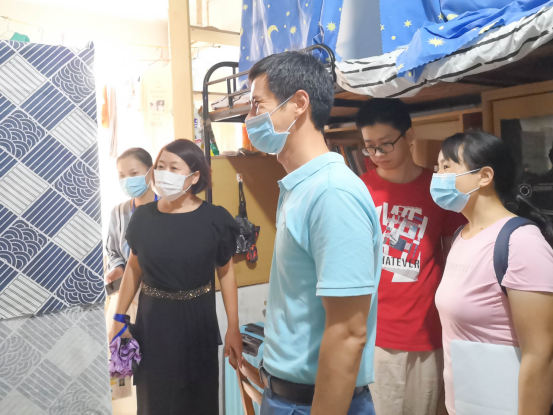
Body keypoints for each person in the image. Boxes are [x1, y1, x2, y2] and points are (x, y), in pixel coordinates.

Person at [245, 51, 382, 415]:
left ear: (298, 103)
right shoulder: (300, 186)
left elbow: (348, 333)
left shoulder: (332, 193)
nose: (249, 118)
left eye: (258, 104)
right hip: (285, 397)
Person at [108, 139, 243, 415]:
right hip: (154, 323)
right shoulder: (143, 217)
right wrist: (118, 317)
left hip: (199, 322)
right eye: (160, 166)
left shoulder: (215, 218)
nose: (164, 173)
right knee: (156, 401)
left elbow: (226, 272)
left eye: (173, 168)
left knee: (198, 401)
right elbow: (134, 268)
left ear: (194, 177)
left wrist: (233, 326)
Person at [355, 99, 465, 415]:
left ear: (410, 136)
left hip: (428, 333)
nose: (378, 154)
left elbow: (455, 256)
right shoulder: (359, 190)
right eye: (369, 147)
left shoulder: (438, 190)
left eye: (385, 144)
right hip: (377, 335)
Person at [433, 131, 553, 415]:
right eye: (437, 168)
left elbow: (540, 354)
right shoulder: (462, 235)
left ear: (484, 176)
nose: (437, 177)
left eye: (447, 167)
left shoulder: (521, 243)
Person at [105, 148, 157, 325]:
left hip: (158, 296)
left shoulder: (168, 209)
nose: (127, 180)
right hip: (126, 295)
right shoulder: (118, 212)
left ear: (151, 172)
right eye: (122, 175)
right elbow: (112, 250)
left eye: (134, 173)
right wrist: (118, 267)